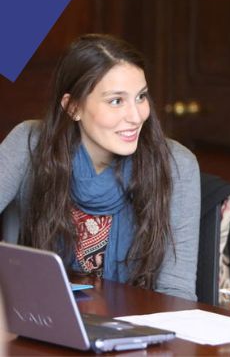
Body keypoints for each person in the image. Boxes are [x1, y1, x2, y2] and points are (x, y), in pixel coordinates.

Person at [0, 34, 200, 300]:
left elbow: (177, 294)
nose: (136, 116)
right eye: (116, 101)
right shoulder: (30, 142)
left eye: (140, 97)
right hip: (40, 317)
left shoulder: (177, 165)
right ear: (73, 107)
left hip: (137, 330)